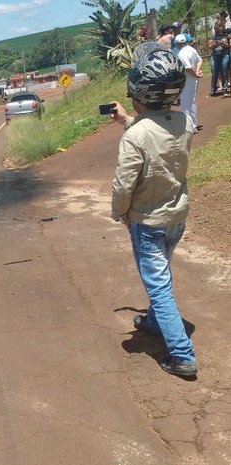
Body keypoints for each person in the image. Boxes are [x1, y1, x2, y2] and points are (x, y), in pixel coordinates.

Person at [109, 42, 197, 377]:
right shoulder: (185, 121)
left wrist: (120, 213)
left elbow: (123, 185)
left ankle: (183, 356)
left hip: (148, 222)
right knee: (163, 272)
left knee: (158, 286)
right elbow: (156, 131)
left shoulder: (136, 137)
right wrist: (127, 120)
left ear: (138, 92)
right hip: (177, 217)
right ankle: (155, 322)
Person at [175, 33, 203, 133]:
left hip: (187, 80)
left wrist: (195, 74)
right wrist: (197, 71)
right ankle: (194, 124)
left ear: (177, 44)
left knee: (186, 103)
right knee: (192, 102)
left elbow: (187, 68)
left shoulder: (181, 53)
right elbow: (200, 60)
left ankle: (190, 126)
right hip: (193, 80)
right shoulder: (191, 49)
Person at [208, 21, 229, 97]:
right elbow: (210, 47)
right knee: (214, 73)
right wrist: (215, 43)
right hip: (214, 56)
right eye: (218, 26)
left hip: (224, 55)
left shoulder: (225, 35)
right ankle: (213, 91)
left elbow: (228, 46)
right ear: (216, 27)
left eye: (221, 26)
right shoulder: (213, 36)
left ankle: (224, 90)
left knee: (224, 72)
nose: (220, 27)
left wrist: (223, 43)